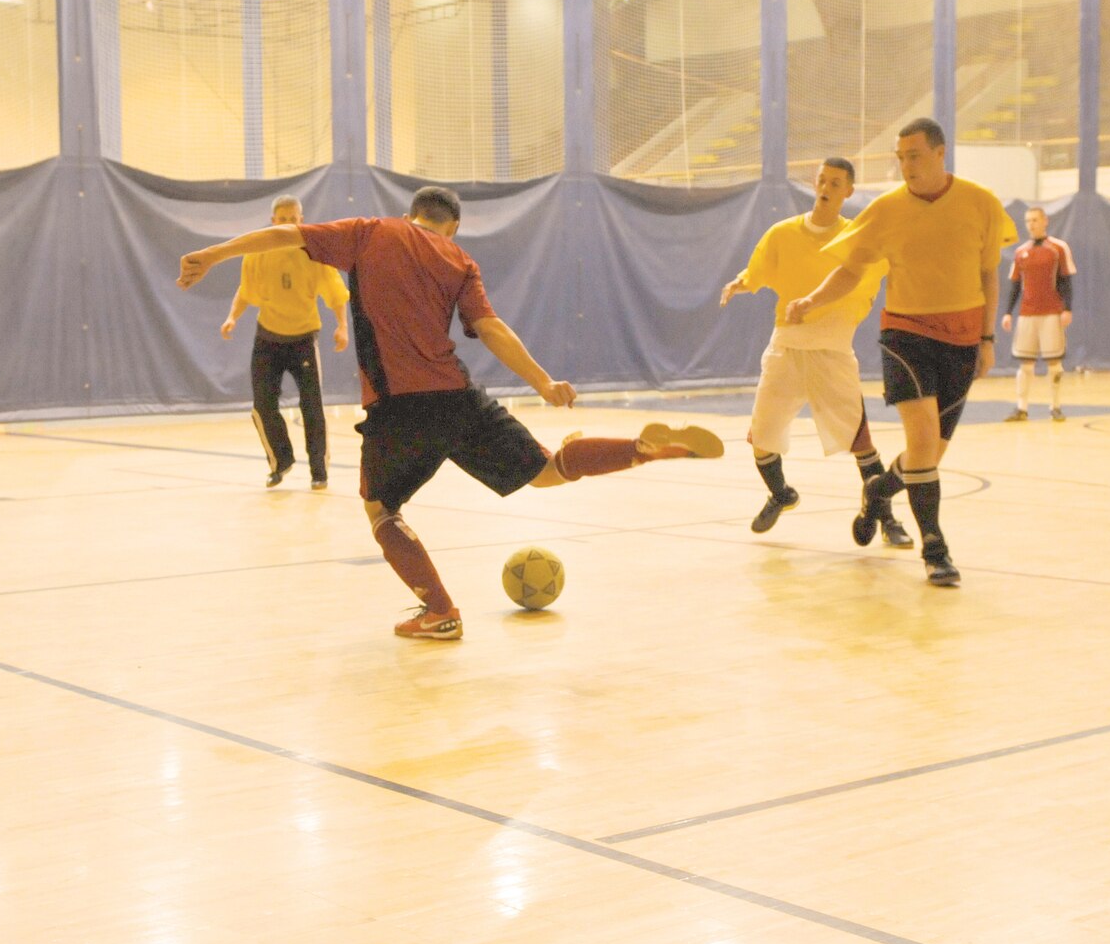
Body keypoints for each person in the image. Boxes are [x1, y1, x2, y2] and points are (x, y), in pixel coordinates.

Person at [179, 185, 723, 640]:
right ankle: (640, 449)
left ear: (412, 214)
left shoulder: (371, 233)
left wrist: (213, 254)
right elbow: (492, 329)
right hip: (459, 398)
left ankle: (440, 612)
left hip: (398, 409)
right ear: (452, 228)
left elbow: (286, 236)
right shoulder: (460, 262)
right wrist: (545, 384)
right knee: (549, 471)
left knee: (381, 510)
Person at [783, 118, 1010, 587]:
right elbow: (850, 271)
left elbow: (990, 275)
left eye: (915, 155)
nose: (906, 165)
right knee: (924, 441)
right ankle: (936, 549)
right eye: (900, 157)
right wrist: (811, 300)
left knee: (928, 455)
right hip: (907, 334)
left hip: (963, 338)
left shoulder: (981, 203)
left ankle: (878, 491)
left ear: (940, 153)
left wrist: (987, 340)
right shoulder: (886, 210)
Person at [719, 157, 910, 546]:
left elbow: (892, 266)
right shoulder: (782, 233)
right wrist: (740, 282)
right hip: (786, 347)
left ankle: (884, 515)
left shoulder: (858, 238)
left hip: (833, 350)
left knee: (861, 442)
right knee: (762, 437)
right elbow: (757, 269)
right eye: (822, 180)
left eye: (835, 182)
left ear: (848, 191)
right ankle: (781, 494)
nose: (826, 187)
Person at [221, 194, 350, 489]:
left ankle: (319, 471)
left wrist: (342, 326)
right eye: (283, 220)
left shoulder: (314, 252)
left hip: (304, 339)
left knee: (312, 407)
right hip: (267, 339)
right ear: (273, 222)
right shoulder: (257, 253)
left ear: (301, 221)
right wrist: (232, 317)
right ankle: (281, 462)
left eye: (294, 219)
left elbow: (334, 291)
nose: (289, 224)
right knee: (262, 406)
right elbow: (246, 290)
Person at [1001, 205, 1077, 422]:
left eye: (1035, 220)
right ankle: (1021, 408)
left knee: (1054, 364)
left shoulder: (1058, 248)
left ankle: (1055, 407)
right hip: (1027, 315)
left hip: (1051, 314)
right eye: (1028, 221)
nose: (1031, 224)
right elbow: (1015, 285)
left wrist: (1067, 308)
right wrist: (1008, 312)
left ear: (1045, 221)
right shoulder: (1020, 252)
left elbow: (1066, 281)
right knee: (1025, 364)